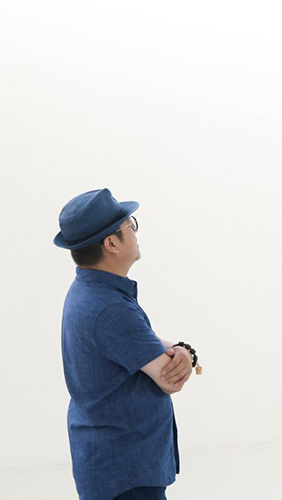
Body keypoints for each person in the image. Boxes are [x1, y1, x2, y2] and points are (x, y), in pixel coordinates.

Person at [54, 188, 200, 500]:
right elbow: (169, 379)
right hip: (126, 470)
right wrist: (185, 354)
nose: (135, 233)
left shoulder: (89, 293)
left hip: (112, 461)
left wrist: (182, 350)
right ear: (111, 243)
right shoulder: (109, 308)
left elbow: (140, 341)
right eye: (130, 226)